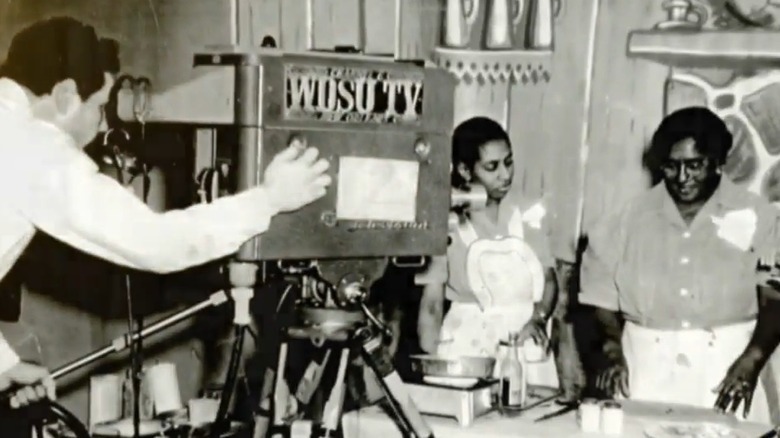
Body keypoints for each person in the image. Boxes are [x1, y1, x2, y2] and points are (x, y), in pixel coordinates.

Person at [0, 16, 331, 410]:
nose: (102, 123)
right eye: (100, 108)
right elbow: (154, 243)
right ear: (66, 95)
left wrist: (3, 364)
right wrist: (270, 198)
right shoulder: (34, 147)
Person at [579, 106, 780, 423]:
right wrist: (612, 351)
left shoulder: (759, 216)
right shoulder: (625, 220)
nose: (682, 177)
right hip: (645, 372)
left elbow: (774, 299)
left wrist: (752, 360)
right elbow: (599, 300)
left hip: (727, 370)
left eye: (695, 165)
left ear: (718, 161)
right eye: (671, 167)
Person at [416, 116, 559, 388]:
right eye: (492, 167)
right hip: (466, 346)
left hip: (523, 339)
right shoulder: (446, 222)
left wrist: (538, 319)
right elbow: (432, 303)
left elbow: (549, 280)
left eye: (508, 162)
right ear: (465, 170)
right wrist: (434, 358)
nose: (505, 175)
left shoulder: (527, 213)